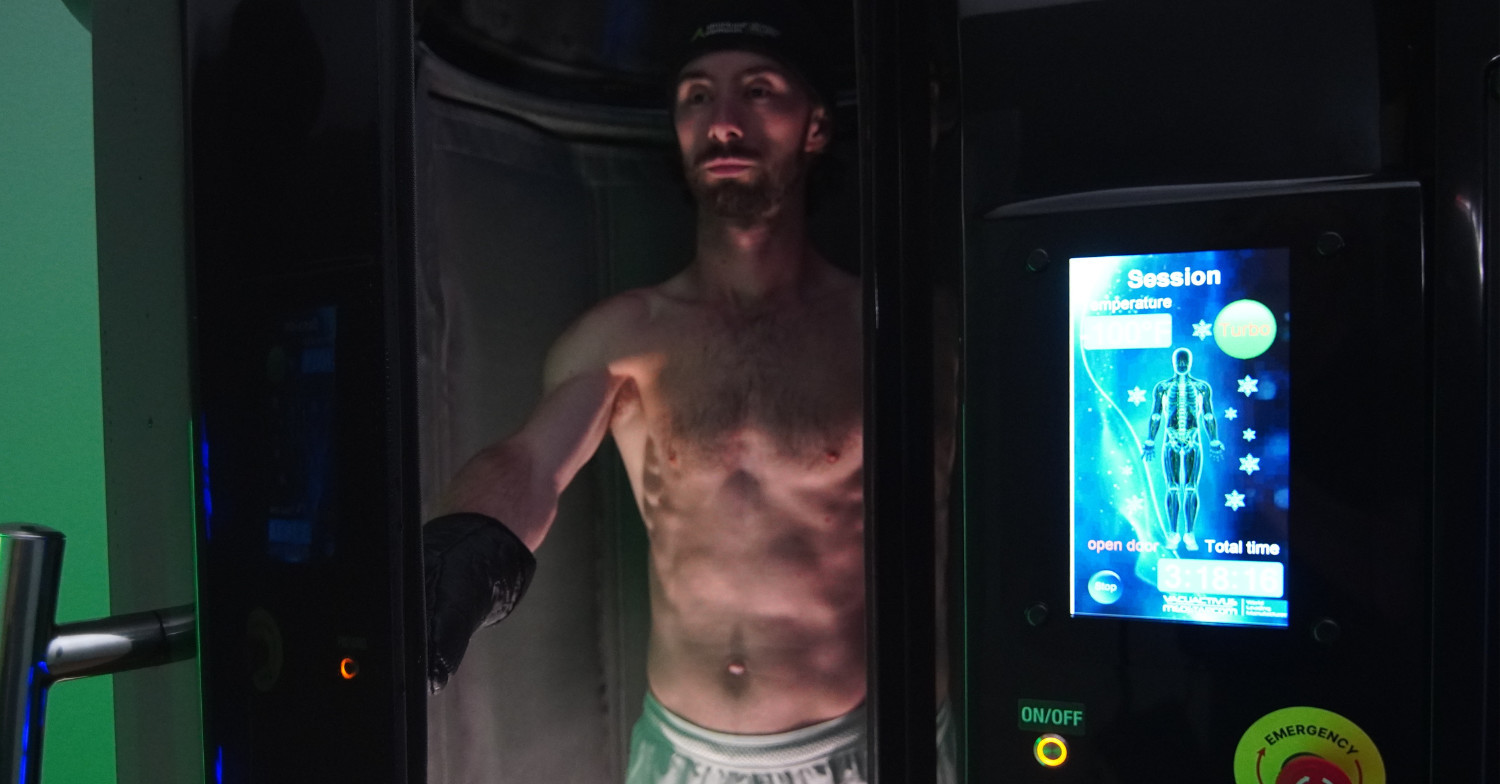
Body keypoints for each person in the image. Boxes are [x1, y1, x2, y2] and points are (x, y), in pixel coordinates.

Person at [423, 2, 891, 781]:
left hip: (857, 746)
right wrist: (440, 574)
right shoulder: (624, 339)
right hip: (683, 755)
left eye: (759, 90)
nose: (724, 122)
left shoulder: (886, 328)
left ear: (815, 126)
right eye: (697, 95)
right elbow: (530, 466)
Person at [1141, 347, 1224, 550]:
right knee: (1171, 487)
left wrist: (1214, 440)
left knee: (1190, 487)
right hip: (1170, 440)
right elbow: (1156, 414)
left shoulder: (1201, 387)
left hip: (1193, 441)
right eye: (1179, 361)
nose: (1182, 365)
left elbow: (1208, 414)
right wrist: (1150, 440)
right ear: (1173, 362)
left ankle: (1189, 534)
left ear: (1190, 362)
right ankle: (1172, 534)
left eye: (1185, 361)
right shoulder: (1163, 387)